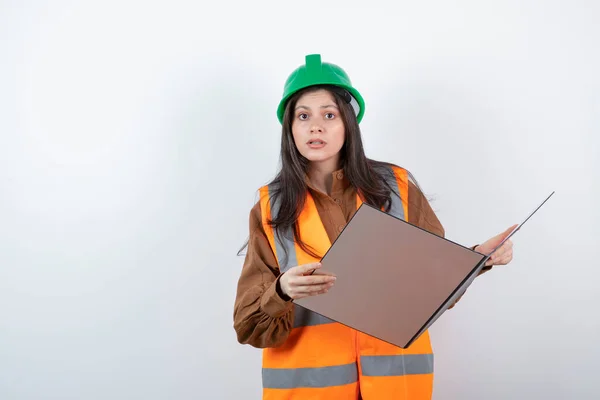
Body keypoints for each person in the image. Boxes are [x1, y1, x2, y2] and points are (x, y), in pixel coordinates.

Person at [233, 54, 515, 400]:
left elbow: (431, 294)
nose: (315, 126)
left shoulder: (397, 188)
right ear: (289, 128)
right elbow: (248, 326)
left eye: (329, 114)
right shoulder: (271, 208)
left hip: (395, 388)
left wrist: (474, 261)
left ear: (348, 123)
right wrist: (282, 291)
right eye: (303, 116)